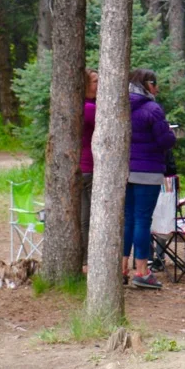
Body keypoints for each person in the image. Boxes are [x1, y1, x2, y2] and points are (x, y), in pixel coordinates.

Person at [125, 68, 176, 290]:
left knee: (128, 220)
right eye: (154, 83)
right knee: (142, 220)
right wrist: (171, 133)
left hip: (125, 171)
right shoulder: (152, 109)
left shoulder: (120, 105)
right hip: (148, 171)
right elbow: (165, 141)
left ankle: (121, 268)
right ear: (146, 85)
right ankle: (142, 271)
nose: (157, 88)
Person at [80, 68, 97, 267]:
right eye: (95, 81)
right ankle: (93, 257)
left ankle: (86, 258)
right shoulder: (91, 109)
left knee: (85, 217)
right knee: (93, 216)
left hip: (80, 168)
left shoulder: (81, 106)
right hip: (90, 167)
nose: (99, 85)